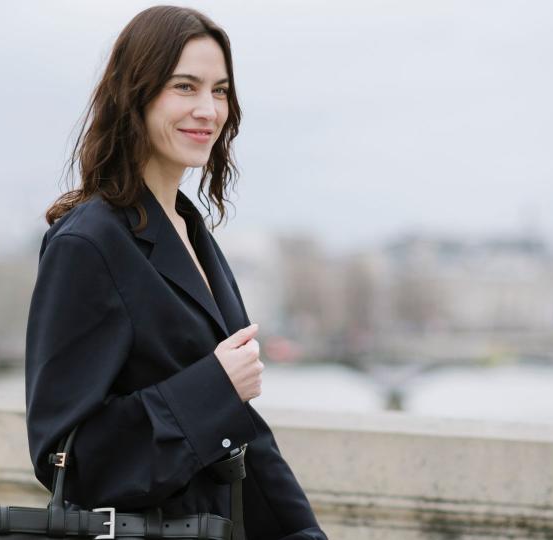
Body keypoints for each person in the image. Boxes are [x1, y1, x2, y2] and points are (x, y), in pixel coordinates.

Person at [25, 5, 327, 540]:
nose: (208, 109)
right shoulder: (87, 244)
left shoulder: (190, 232)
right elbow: (66, 459)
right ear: (134, 93)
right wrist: (213, 387)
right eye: (184, 87)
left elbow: (240, 437)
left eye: (221, 90)